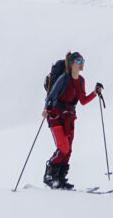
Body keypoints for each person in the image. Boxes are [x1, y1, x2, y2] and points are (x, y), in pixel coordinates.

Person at [43, 51, 103, 189]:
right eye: (78, 62)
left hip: (69, 117)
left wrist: (95, 93)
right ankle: (49, 176)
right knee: (63, 148)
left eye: (83, 62)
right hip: (56, 116)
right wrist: (46, 109)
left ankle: (60, 179)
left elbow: (82, 101)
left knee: (68, 150)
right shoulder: (63, 79)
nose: (81, 65)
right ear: (71, 64)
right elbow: (51, 95)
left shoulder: (81, 81)